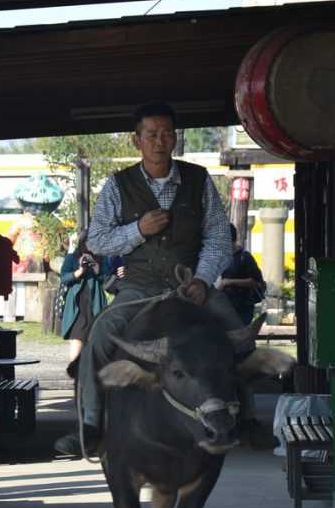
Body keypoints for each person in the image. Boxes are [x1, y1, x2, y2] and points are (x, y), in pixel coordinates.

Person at [55, 100, 259, 457]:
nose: (159, 141)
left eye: (166, 133)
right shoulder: (118, 185)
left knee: (240, 335)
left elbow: (217, 238)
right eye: (151, 134)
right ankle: (89, 424)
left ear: (175, 139)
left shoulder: (198, 179)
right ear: (137, 141)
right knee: (99, 336)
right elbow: (98, 239)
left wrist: (203, 279)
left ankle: (247, 415)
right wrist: (138, 229)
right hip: (139, 287)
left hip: (190, 284)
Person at [59, 230, 110, 364]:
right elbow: (64, 278)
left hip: (95, 305)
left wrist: (97, 270)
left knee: (94, 342)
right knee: (76, 341)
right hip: (77, 306)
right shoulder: (71, 257)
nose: (90, 248)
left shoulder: (102, 258)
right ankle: (75, 375)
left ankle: (90, 375)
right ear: (82, 244)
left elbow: (108, 281)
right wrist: (80, 271)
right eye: (88, 243)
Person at [218, 222, 266, 325]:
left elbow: (255, 282)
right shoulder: (222, 257)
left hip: (243, 307)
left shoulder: (245, 257)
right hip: (226, 306)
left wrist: (228, 282)